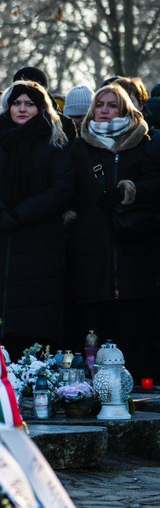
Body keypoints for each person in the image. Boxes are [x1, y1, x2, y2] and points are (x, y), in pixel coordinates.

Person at [0, 79, 74, 356]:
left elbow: (62, 188)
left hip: (39, 238)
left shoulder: (55, 140)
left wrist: (21, 214)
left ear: (41, 108)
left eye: (29, 104)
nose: (22, 109)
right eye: (16, 103)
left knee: (35, 315)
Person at [63, 83, 160, 373]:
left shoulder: (143, 143)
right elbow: (66, 190)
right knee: (94, 332)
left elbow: (155, 184)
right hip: (91, 252)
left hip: (134, 250)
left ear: (124, 109)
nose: (104, 111)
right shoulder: (79, 148)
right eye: (100, 105)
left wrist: (129, 190)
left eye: (112, 105)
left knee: (134, 330)